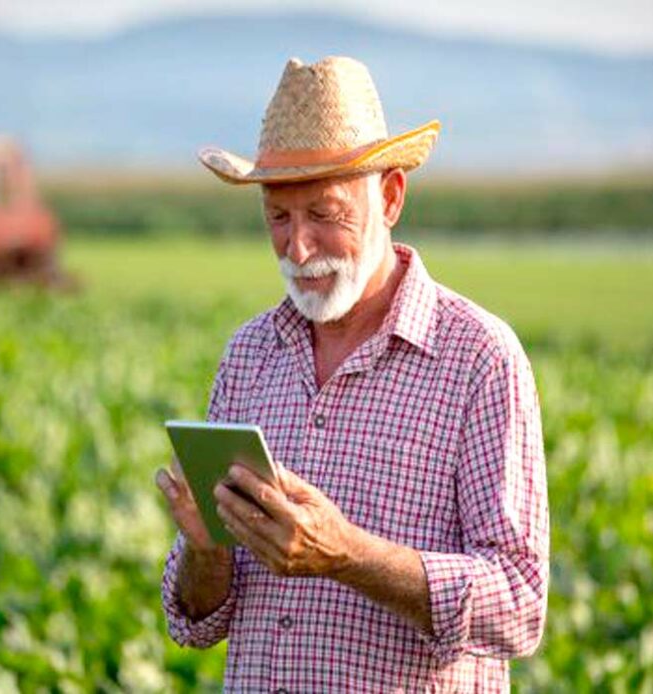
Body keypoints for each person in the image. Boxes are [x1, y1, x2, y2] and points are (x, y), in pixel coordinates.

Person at [155, 56, 549, 692]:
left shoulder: (479, 357)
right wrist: (206, 550)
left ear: (391, 196)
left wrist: (347, 555)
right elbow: (198, 622)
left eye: (325, 215)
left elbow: (521, 605)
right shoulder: (249, 355)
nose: (298, 248)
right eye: (278, 219)